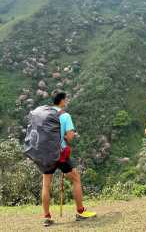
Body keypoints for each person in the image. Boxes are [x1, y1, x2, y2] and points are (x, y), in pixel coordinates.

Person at [42, 91, 96, 226]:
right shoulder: (65, 116)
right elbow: (70, 136)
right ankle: (80, 212)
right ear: (61, 101)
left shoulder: (45, 114)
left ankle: (47, 217)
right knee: (76, 178)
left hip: (46, 153)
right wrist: (64, 137)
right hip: (60, 153)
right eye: (65, 99)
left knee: (46, 184)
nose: (66, 101)